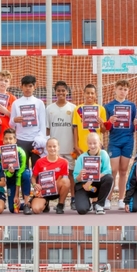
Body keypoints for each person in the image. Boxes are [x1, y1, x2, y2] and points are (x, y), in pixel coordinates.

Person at [104, 79, 137, 210]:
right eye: (120, 89)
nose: (122, 92)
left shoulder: (132, 106)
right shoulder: (108, 106)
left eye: (125, 89)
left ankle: (121, 199)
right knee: (113, 171)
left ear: (128, 91)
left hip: (128, 141)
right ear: (115, 89)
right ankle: (108, 198)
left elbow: (135, 126)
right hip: (114, 141)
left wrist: (136, 123)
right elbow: (105, 128)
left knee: (123, 171)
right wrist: (110, 121)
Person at [46, 81, 77, 209]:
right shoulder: (49, 108)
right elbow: (47, 129)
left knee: (70, 174)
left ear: (67, 92)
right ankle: (47, 200)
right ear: (55, 92)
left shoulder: (73, 108)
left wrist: (75, 145)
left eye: (63, 90)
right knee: (52, 175)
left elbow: (75, 128)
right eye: (58, 90)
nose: (61, 93)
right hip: (54, 150)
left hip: (69, 148)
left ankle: (73, 199)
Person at [10, 75, 47, 167]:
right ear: (21, 87)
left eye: (30, 86)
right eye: (25, 86)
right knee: (22, 168)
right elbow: (11, 124)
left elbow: (43, 123)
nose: (28, 88)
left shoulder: (39, 103)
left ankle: (35, 182)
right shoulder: (16, 103)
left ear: (34, 87)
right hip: (21, 140)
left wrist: (41, 139)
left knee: (37, 167)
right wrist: (14, 120)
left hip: (36, 141)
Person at [73, 132, 114, 215]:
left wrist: (91, 180)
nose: (92, 146)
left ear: (99, 143)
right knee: (82, 210)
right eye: (90, 143)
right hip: (84, 186)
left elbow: (107, 171)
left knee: (109, 178)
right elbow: (75, 178)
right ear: (87, 144)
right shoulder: (81, 157)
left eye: (95, 143)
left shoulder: (103, 154)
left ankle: (99, 204)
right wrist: (79, 177)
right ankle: (88, 204)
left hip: (96, 185)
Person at [30, 137, 70, 214]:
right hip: (43, 190)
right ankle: (46, 203)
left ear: (58, 147)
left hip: (56, 188)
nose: (52, 149)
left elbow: (64, 178)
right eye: (50, 146)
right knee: (36, 209)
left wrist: (52, 185)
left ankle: (60, 204)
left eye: (54, 146)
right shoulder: (40, 161)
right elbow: (33, 177)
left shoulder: (64, 162)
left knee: (66, 181)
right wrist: (35, 185)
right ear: (46, 148)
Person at [0, 128, 32, 215]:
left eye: (10, 138)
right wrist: (11, 172)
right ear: (3, 140)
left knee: (26, 175)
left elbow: (19, 174)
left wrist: (17, 195)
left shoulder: (21, 152)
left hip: (21, 174)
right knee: (12, 209)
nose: (8, 141)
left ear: (15, 140)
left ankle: (27, 203)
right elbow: (6, 174)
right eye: (6, 138)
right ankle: (32, 202)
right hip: (11, 177)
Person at [72, 84, 107, 158]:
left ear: (95, 95)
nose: (90, 95)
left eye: (92, 93)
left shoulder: (101, 109)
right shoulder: (78, 109)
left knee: (96, 166)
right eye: (88, 93)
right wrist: (76, 145)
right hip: (82, 145)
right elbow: (75, 128)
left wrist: (101, 124)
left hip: (96, 145)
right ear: (84, 94)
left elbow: (104, 131)